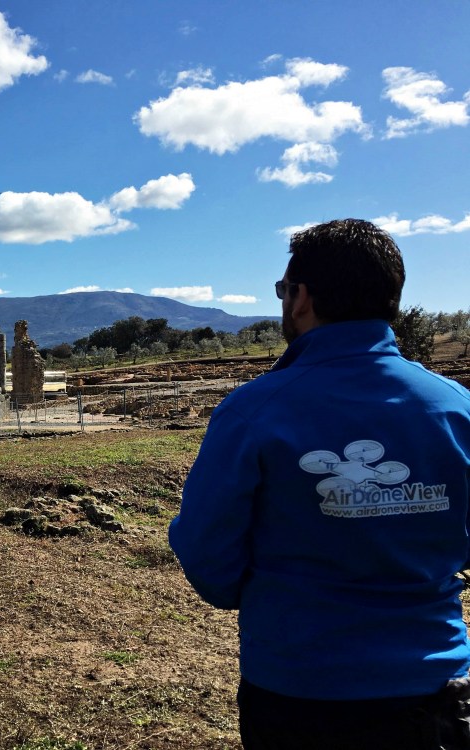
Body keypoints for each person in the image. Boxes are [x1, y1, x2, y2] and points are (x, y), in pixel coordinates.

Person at [169, 218, 470, 749]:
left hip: (300, 690)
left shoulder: (254, 411)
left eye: (284, 290)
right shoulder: (456, 407)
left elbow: (207, 554)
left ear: (301, 297)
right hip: (439, 691)